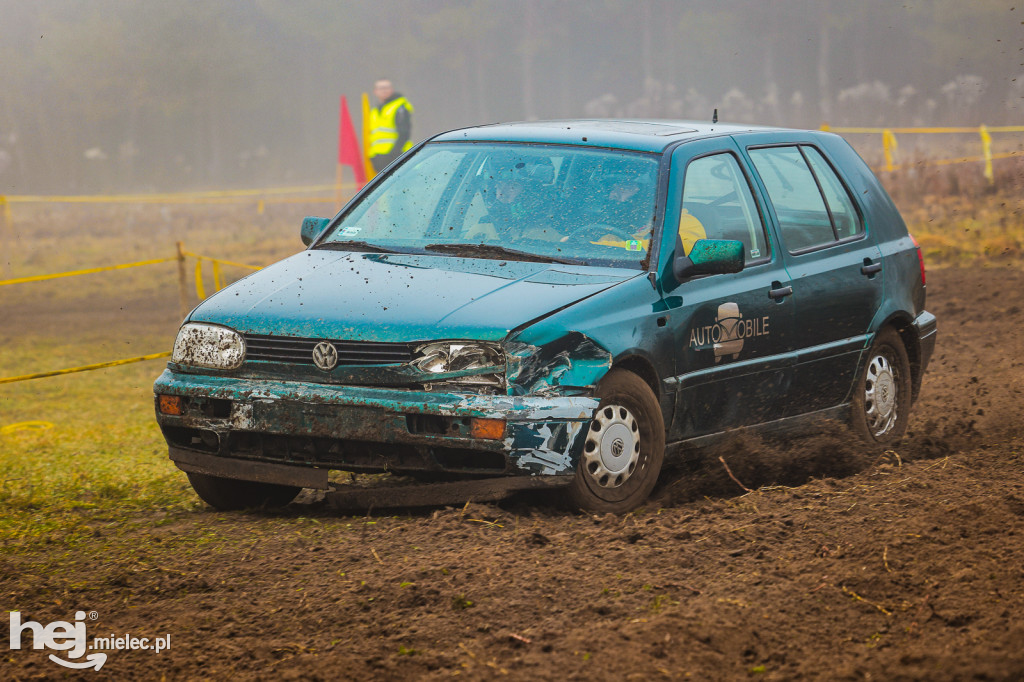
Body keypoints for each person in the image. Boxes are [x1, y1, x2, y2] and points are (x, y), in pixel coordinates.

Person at [367, 79, 414, 174]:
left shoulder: (399, 106)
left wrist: (393, 154)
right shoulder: (375, 111)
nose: (384, 90)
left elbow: (404, 133)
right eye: (381, 88)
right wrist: (373, 157)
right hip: (379, 158)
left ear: (392, 90)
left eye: (387, 87)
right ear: (375, 91)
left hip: (397, 156)